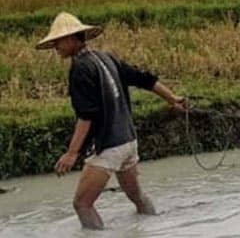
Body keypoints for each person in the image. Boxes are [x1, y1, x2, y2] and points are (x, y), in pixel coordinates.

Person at [36, 12, 188, 230]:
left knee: (82, 204)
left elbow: (86, 116)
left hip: (108, 147)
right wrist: (172, 98)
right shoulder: (106, 57)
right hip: (128, 141)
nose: (55, 47)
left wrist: (72, 153)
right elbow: (143, 78)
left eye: (57, 41)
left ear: (71, 38)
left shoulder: (80, 69)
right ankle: (156, 228)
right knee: (137, 196)